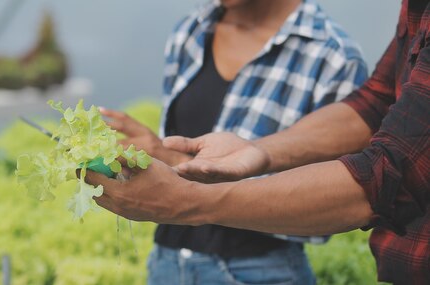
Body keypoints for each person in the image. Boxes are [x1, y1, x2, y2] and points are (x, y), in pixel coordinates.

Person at [89, 0, 430, 284]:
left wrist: (187, 201)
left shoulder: (332, 51)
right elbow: (375, 103)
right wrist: (257, 150)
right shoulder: (191, 30)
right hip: (168, 262)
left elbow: (390, 171)